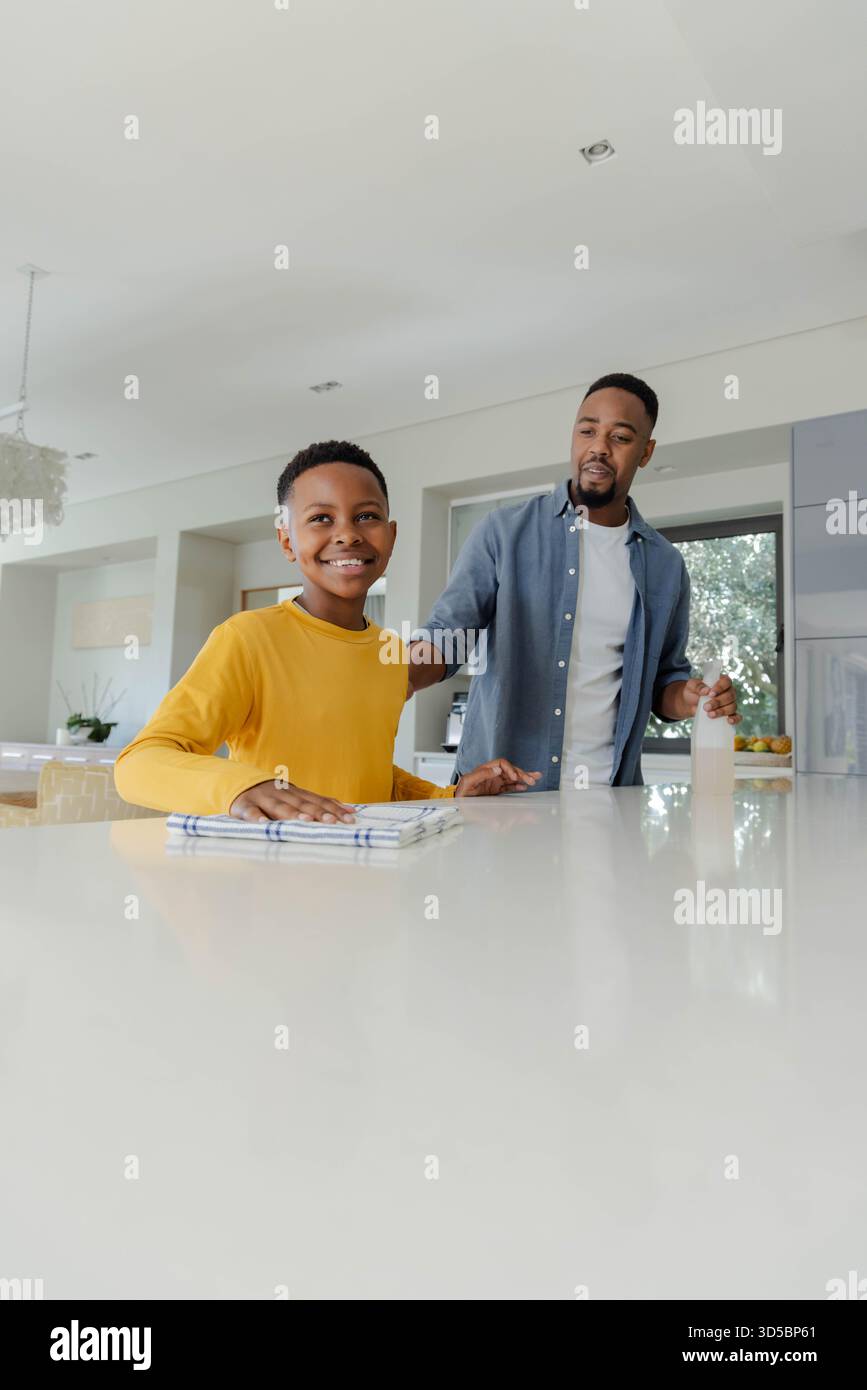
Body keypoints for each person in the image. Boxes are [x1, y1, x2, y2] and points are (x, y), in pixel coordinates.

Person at [115, 441, 540, 823]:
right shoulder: (247, 639)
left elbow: (368, 779)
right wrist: (242, 787)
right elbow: (139, 764)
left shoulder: (390, 655)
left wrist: (450, 795)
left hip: (364, 882)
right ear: (287, 541)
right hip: (269, 884)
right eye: (321, 518)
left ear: (390, 538)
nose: (348, 534)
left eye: (367, 516)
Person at [408, 373, 741, 788]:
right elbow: (447, 637)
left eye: (620, 437)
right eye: (587, 431)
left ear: (645, 452)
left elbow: (664, 684)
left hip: (609, 797)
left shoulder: (666, 565)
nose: (599, 448)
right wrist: (394, 677)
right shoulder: (503, 533)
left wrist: (690, 698)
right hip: (502, 793)